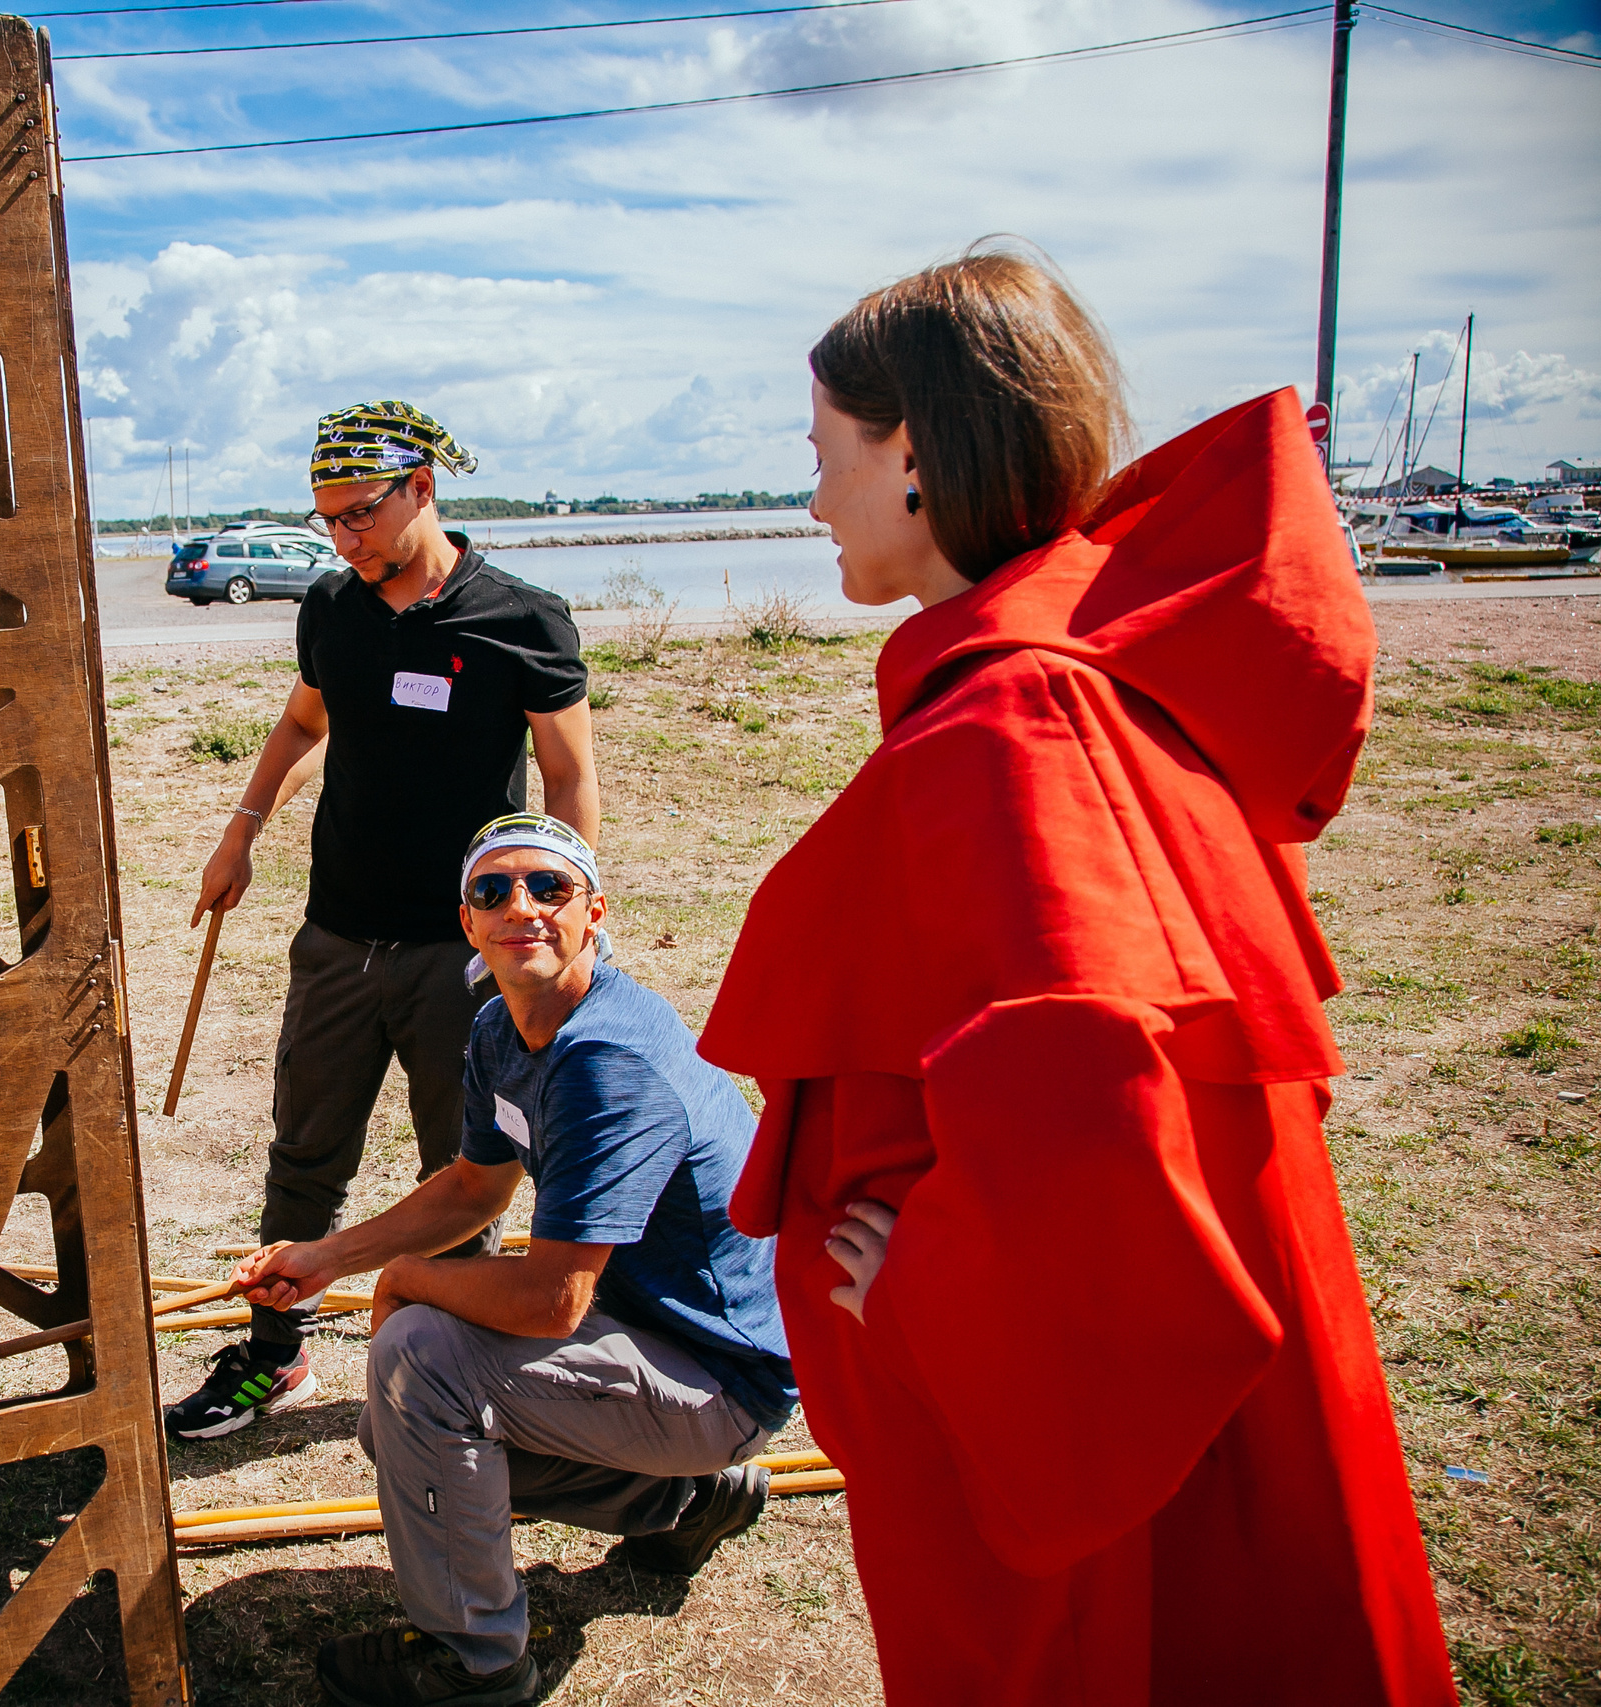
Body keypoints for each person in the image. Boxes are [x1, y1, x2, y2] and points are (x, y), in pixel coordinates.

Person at [697, 245, 1454, 1704]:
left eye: (821, 454)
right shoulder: (1083, 669)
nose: (809, 498)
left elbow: (1093, 1099)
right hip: (1184, 1401)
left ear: (909, 452)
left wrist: (928, 1295)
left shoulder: (1015, 717)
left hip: (1098, 1452)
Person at [235, 814, 792, 1707]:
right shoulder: (503, 1024)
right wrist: (324, 1257)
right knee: (397, 1422)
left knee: (419, 1361)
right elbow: (473, 1189)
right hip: (646, 1331)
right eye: (493, 891)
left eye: (549, 888)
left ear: (593, 911)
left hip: (719, 1374)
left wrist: (406, 1280)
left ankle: (476, 1664)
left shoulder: (607, 1060)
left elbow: (551, 1301)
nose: (520, 908)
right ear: (467, 921)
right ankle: (687, 1504)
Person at [168, 402, 600, 1440]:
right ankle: (275, 1357)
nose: (344, 538)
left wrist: (571, 911)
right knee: (303, 1152)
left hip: (463, 954)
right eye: (327, 520)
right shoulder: (331, 607)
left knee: (459, 1173)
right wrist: (241, 829)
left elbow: (567, 771)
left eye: (360, 514)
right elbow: (302, 717)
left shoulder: (522, 619)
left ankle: (460, 1371)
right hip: (336, 936)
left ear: (421, 489)